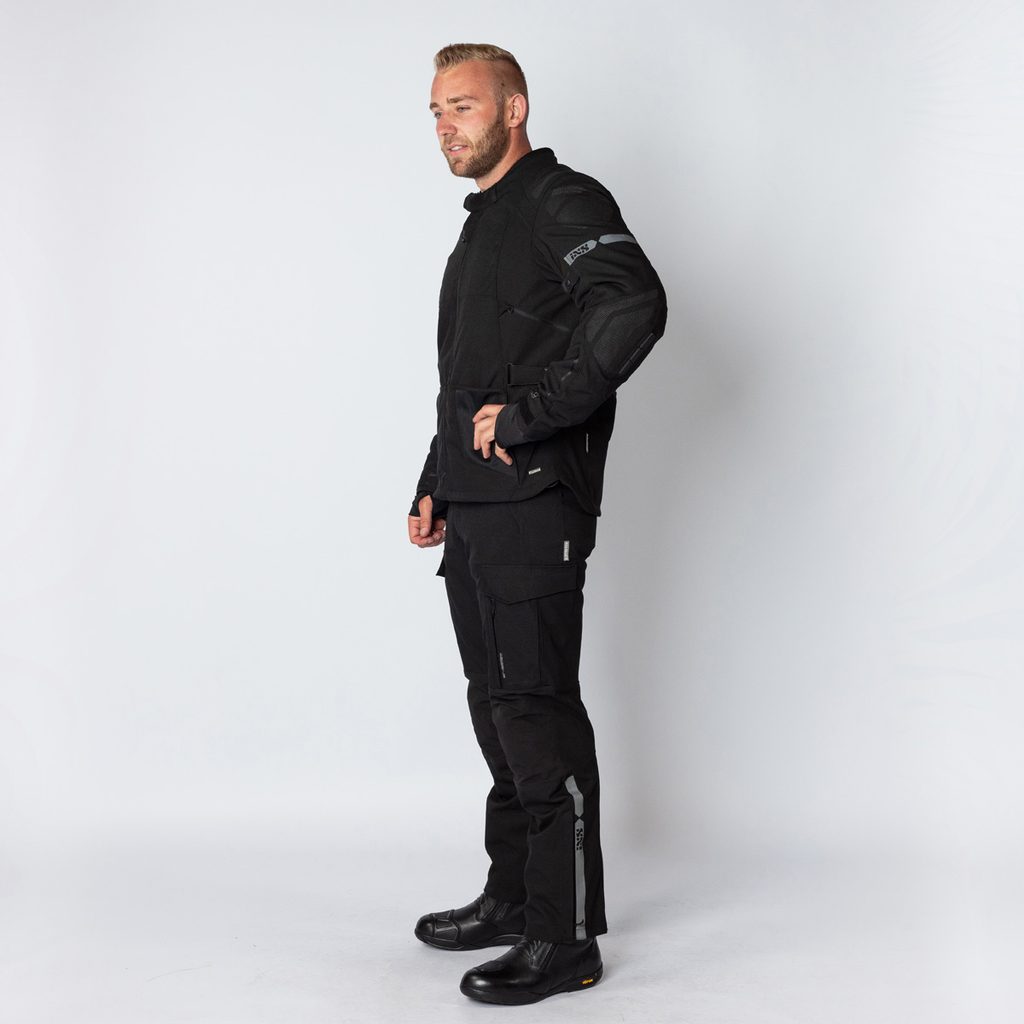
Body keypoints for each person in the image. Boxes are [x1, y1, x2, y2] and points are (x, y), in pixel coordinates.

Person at [406, 42, 668, 1006]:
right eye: (436, 111)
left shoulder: (562, 199)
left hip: (536, 502)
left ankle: (565, 938)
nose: (446, 125)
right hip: (477, 508)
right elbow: (467, 382)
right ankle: (515, 895)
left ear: (514, 109)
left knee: (535, 709)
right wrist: (435, 481)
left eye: (464, 105)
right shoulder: (481, 231)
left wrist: (529, 417)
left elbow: (634, 304)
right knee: (494, 705)